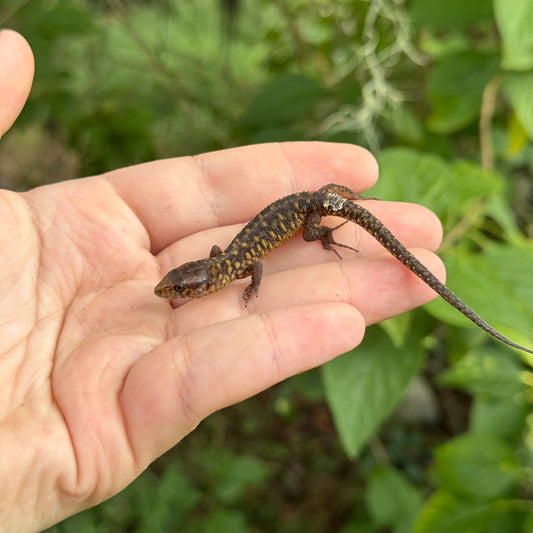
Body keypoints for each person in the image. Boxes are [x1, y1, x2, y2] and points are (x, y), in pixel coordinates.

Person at [0, 29, 444, 533]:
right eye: (178, 288)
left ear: (203, 285)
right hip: (317, 200)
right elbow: (233, 258)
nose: (174, 292)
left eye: (180, 288)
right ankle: (342, 214)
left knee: (333, 231)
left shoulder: (235, 266)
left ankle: (336, 227)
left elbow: (254, 265)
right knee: (336, 214)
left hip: (315, 207)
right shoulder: (226, 260)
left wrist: (265, 280)